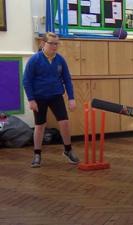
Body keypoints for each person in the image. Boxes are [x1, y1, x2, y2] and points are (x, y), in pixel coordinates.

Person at [23, 32, 79, 168]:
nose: (54, 46)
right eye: (51, 43)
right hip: (39, 97)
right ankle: (37, 154)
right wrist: (31, 100)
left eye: (56, 44)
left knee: (65, 123)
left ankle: (68, 150)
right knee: (40, 126)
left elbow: (67, 80)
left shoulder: (60, 60)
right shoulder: (35, 60)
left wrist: (71, 98)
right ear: (43, 43)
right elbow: (26, 81)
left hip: (56, 96)